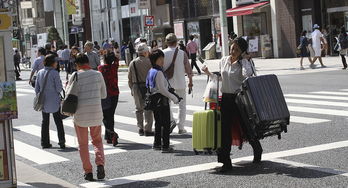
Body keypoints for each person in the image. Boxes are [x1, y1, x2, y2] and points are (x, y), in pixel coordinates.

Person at [202, 37, 263, 173]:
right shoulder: (224, 60)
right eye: (232, 47)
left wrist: (244, 61)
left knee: (246, 126)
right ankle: (225, 162)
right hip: (225, 99)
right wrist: (208, 73)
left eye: (236, 49)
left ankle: (257, 149)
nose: (233, 51)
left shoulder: (243, 63)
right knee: (224, 130)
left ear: (242, 51)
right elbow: (219, 79)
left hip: (239, 99)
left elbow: (247, 75)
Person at [68, 53, 106, 181]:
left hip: (80, 115)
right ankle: (100, 164)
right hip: (95, 113)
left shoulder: (75, 75)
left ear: (77, 64)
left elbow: (69, 94)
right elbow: (104, 95)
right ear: (88, 62)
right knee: (97, 141)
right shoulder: (98, 74)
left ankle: (88, 171)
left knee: (83, 144)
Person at [146, 50, 181, 153]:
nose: (162, 61)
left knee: (158, 123)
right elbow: (162, 90)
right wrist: (174, 98)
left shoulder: (151, 71)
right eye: (160, 58)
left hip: (154, 100)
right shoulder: (159, 72)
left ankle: (157, 144)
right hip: (162, 100)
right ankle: (165, 146)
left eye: (163, 58)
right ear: (155, 60)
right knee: (165, 124)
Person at [163, 33, 193, 134]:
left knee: (167, 104)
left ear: (166, 42)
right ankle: (181, 127)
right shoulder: (182, 53)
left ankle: (171, 121)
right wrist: (190, 82)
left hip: (167, 84)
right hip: (180, 82)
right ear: (176, 42)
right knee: (182, 105)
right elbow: (188, 69)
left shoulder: (162, 53)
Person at [35, 54, 66, 149]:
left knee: (45, 121)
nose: (57, 63)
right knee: (58, 121)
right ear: (52, 63)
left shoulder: (40, 72)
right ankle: (61, 141)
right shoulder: (54, 73)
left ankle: (45, 142)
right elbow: (59, 88)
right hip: (54, 100)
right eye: (56, 62)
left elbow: (37, 88)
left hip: (43, 100)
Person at [128, 43, 154, 136]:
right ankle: (148, 129)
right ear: (146, 52)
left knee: (138, 108)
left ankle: (140, 128)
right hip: (147, 87)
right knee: (148, 108)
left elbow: (129, 78)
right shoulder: (149, 62)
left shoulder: (132, 63)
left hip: (136, 87)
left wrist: (132, 89)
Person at [98, 51, 120, 145]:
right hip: (114, 93)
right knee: (111, 115)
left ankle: (111, 133)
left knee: (104, 115)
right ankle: (109, 136)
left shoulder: (101, 68)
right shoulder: (114, 68)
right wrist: (114, 57)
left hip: (104, 94)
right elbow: (117, 61)